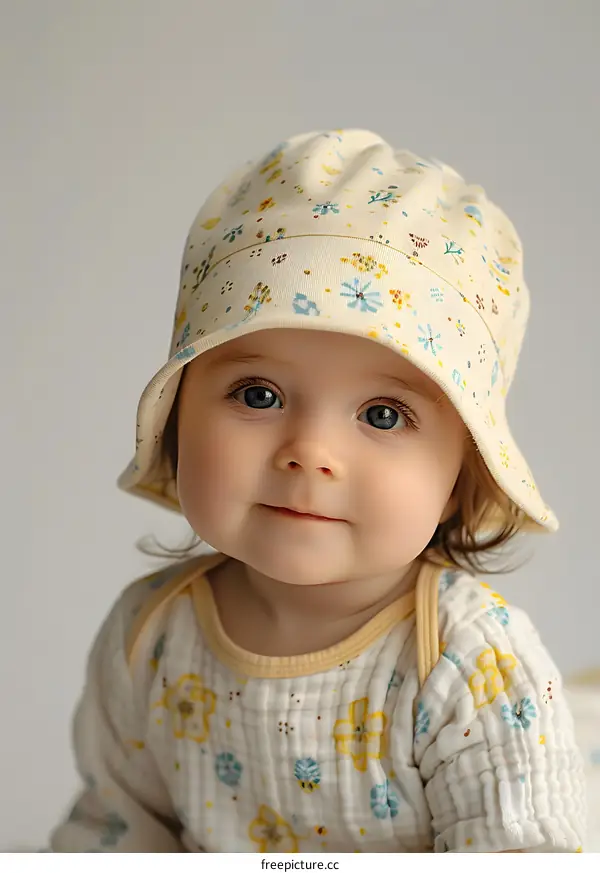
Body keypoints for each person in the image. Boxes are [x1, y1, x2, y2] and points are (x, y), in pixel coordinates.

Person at [49, 129, 586, 853]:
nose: (308, 452)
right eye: (259, 393)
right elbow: (114, 832)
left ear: (463, 475)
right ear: (179, 416)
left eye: (383, 414)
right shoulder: (149, 637)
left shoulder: (469, 662)